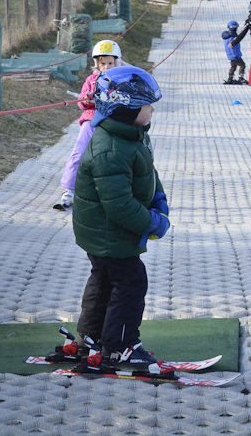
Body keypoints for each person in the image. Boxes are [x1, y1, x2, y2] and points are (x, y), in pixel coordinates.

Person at [66, 65, 172, 373]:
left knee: (104, 281)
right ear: (126, 109)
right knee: (130, 282)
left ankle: (92, 339)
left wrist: (158, 199)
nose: (152, 109)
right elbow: (120, 205)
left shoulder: (129, 136)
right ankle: (120, 348)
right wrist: (152, 223)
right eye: (146, 105)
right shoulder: (111, 149)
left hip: (107, 234)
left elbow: (147, 173)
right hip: (110, 234)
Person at [56, 40, 121, 211]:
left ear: (117, 62)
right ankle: (69, 189)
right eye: (102, 63)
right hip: (92, 120)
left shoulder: (121, 80)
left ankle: (110, 192)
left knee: (111, 156)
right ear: (97, 64)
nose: (106, 67)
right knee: (79, 152)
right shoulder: (92, 79)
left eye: (110, 63)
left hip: (112, 122)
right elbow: (81, 102)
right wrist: (87, 99)